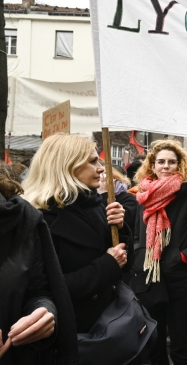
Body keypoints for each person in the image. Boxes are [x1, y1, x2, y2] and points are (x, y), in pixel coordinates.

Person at [21, 134, 132, 348]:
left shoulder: (96, 204)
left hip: (108, 327)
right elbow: (44, 290)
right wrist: (107, 265)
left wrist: (120, 230)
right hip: (70, 335)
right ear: (66, 166)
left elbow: (123, 266)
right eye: (92, 161)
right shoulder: (37, 218)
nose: (101, 168)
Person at [130, 140, 187, 365]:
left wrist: (180, 257)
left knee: (179, 345)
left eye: (171, 162)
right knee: (154, 343)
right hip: (150, 282)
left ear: (180, 166)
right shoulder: (144, 199)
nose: (165, 166)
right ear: (152, 166)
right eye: (161, 162)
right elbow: (138, 238)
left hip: (181, 284)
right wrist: (142, 261)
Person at [0, 162, 78, 365]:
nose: (101, 169)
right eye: (91, 161)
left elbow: (38, 291)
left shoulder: (22, 219)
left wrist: (42, 315)